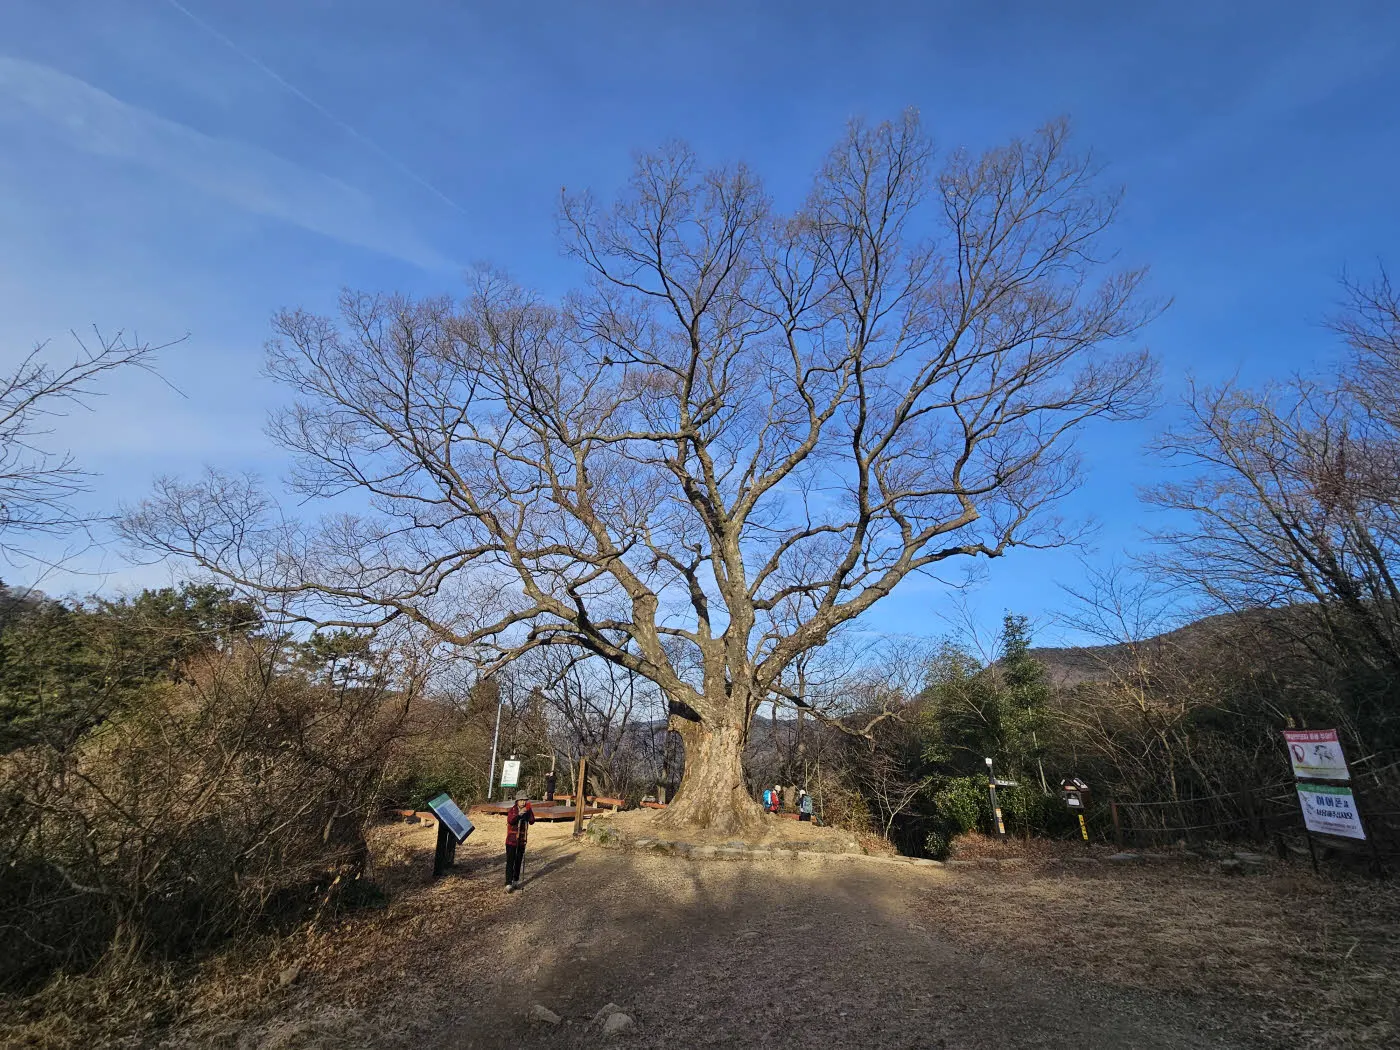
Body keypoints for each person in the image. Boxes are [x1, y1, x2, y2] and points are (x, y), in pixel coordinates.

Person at [504, 791, 535, 892]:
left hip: (522, 840)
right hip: (511, 841)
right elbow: (511, 820)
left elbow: (532, 821)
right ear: (517, 801)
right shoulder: (513, 810)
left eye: (525, 800)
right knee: (510, 861)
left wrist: (529, 811)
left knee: (518, 861)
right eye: (521, 800)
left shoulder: (527, 810)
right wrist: (519, 815)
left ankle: (515, 880)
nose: (523, 802)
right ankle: (508, 883)